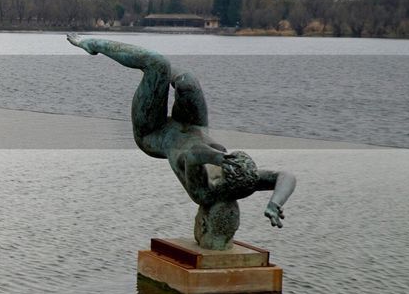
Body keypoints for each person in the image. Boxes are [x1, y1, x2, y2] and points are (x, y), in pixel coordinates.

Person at [66, 34, 295, 247]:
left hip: (154, 133)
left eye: (223, 172)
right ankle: (165, 78)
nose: (224, 167)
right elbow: (286, 176)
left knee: (157, 63)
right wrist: (275, 202)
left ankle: (93, 45)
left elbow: (194, 156)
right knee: (187, 81)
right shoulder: (243, 184)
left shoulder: (203, 193)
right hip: (193, 124)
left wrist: (218, 157)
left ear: (202, 224)